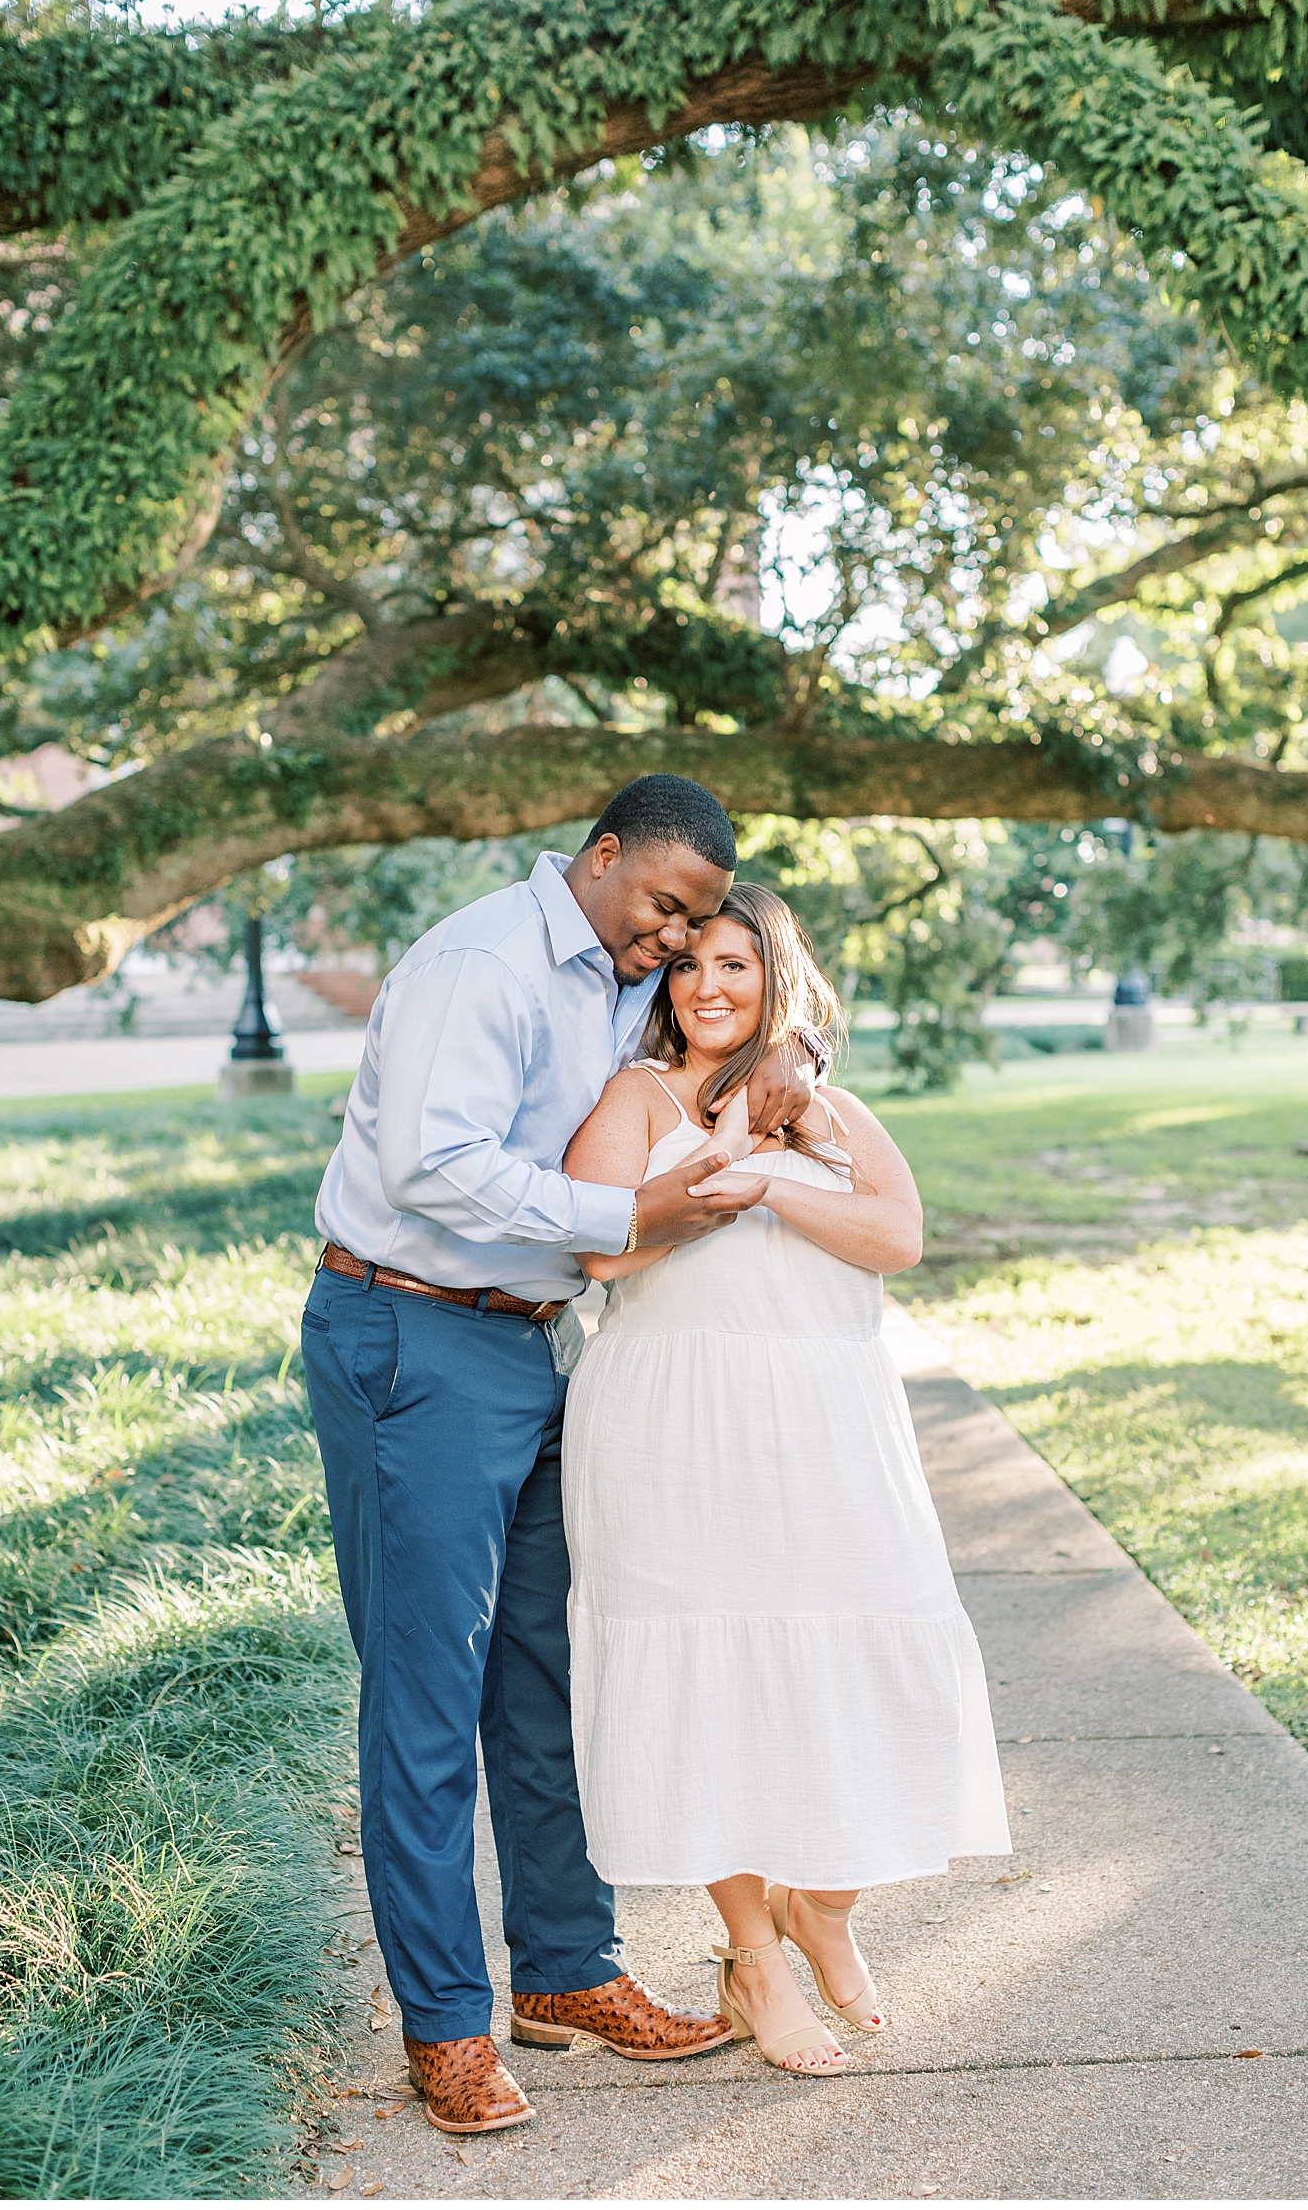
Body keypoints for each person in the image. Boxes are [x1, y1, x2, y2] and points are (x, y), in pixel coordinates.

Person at [300, 777, 821, 2135]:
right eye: (665, 906)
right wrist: (623, 1207)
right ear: (600, 859)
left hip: (531, 1346)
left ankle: (569, 1973)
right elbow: (430, 1162)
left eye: (699, 919)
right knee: (426, 1700)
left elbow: (716, 1035)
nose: (674, 938)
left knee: (544, 1683)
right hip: (410, 1333)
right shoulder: (482, 961)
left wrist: (793, 1059)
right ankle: (448, 2023)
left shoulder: (608, 975)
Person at [562, 883, 1012, 2075]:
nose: (708, 987)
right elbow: (601, 1244)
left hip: (828, 1424)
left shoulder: (832, 1109)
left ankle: (828, 1907)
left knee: (868, 1658)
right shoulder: (636, 1095)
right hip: (672, 1424)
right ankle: (752, 1953)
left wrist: (777, 1171)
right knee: (706, 1676)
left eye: (737, 968)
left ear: (778, 985)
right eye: (689, 965)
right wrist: (733, 1156)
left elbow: (897, 1237)